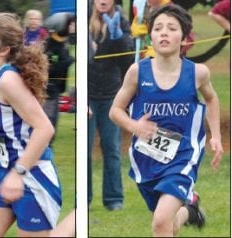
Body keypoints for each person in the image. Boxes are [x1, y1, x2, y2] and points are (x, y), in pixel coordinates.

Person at [109, 4, 223, 236]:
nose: (164, 32)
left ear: (183, 37)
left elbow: (211, 100)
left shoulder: (198, 73)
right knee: (167, 224)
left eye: (172, 28)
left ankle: (186, 207)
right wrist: (134, 126)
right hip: (146, 157)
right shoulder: (137, 72)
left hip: (183, 155)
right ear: (150, 36)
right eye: (158, 28)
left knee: (160, 222)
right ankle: (190, 211)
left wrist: (216, 137)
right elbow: (115, 111)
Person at [0, 13, 62, 237]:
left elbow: (45, 128)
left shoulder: (8, 80)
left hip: (32, 176)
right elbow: (13, 124)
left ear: (3, 49)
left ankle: (76, 221)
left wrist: (18, 173)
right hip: (2, 172)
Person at [88, 0, 135, 210]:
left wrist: (118, 38)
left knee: (112, 149)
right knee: (85, 150)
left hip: (111, 96)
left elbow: (128, 60)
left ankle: (114, 199)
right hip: (88, 96)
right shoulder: (85, 22)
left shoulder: (122, 22)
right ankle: (85, 198)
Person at [43, 12, 75, 143]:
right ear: (62, 26)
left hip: (55, 91)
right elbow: (50, 68)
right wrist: (69, 60)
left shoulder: (62, 42)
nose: (73, 26)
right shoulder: (51, 46)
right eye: (70, 24)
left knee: (52, 126)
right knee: (47, 126)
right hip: (48, 92)